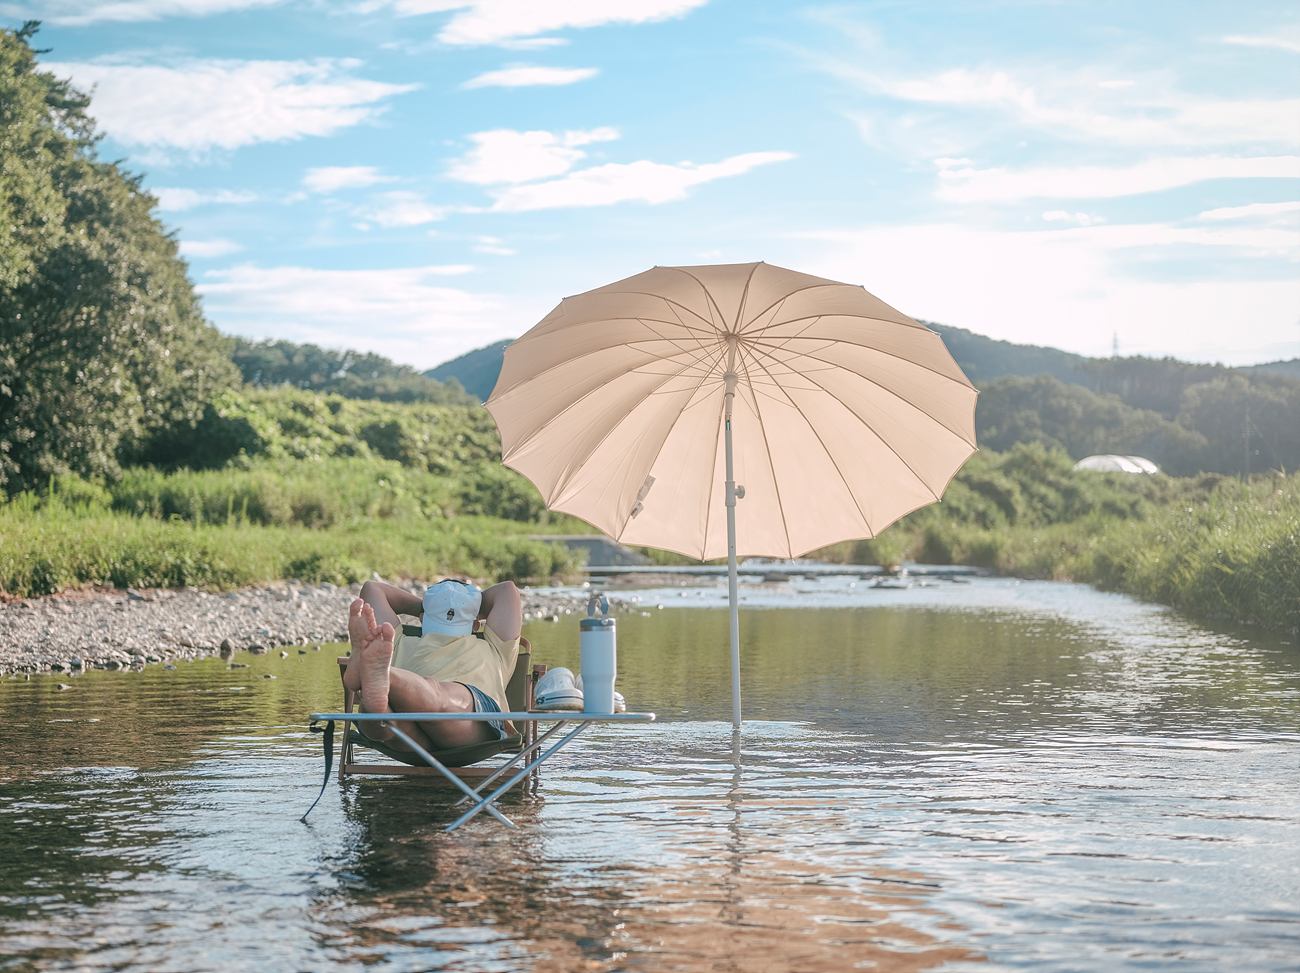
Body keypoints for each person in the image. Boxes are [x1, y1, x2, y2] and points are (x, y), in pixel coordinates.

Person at [342, 578, 522, 754]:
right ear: (475, 625)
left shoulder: (398, 641)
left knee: (391, 721)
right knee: (416, 703)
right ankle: (382, 682)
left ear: (422, 619)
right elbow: (507, 591)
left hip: (423, 721)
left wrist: (432, 608)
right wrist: (466, 608)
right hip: (465, 726)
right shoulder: (495, 646)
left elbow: (372, 589)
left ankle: (380, 678)